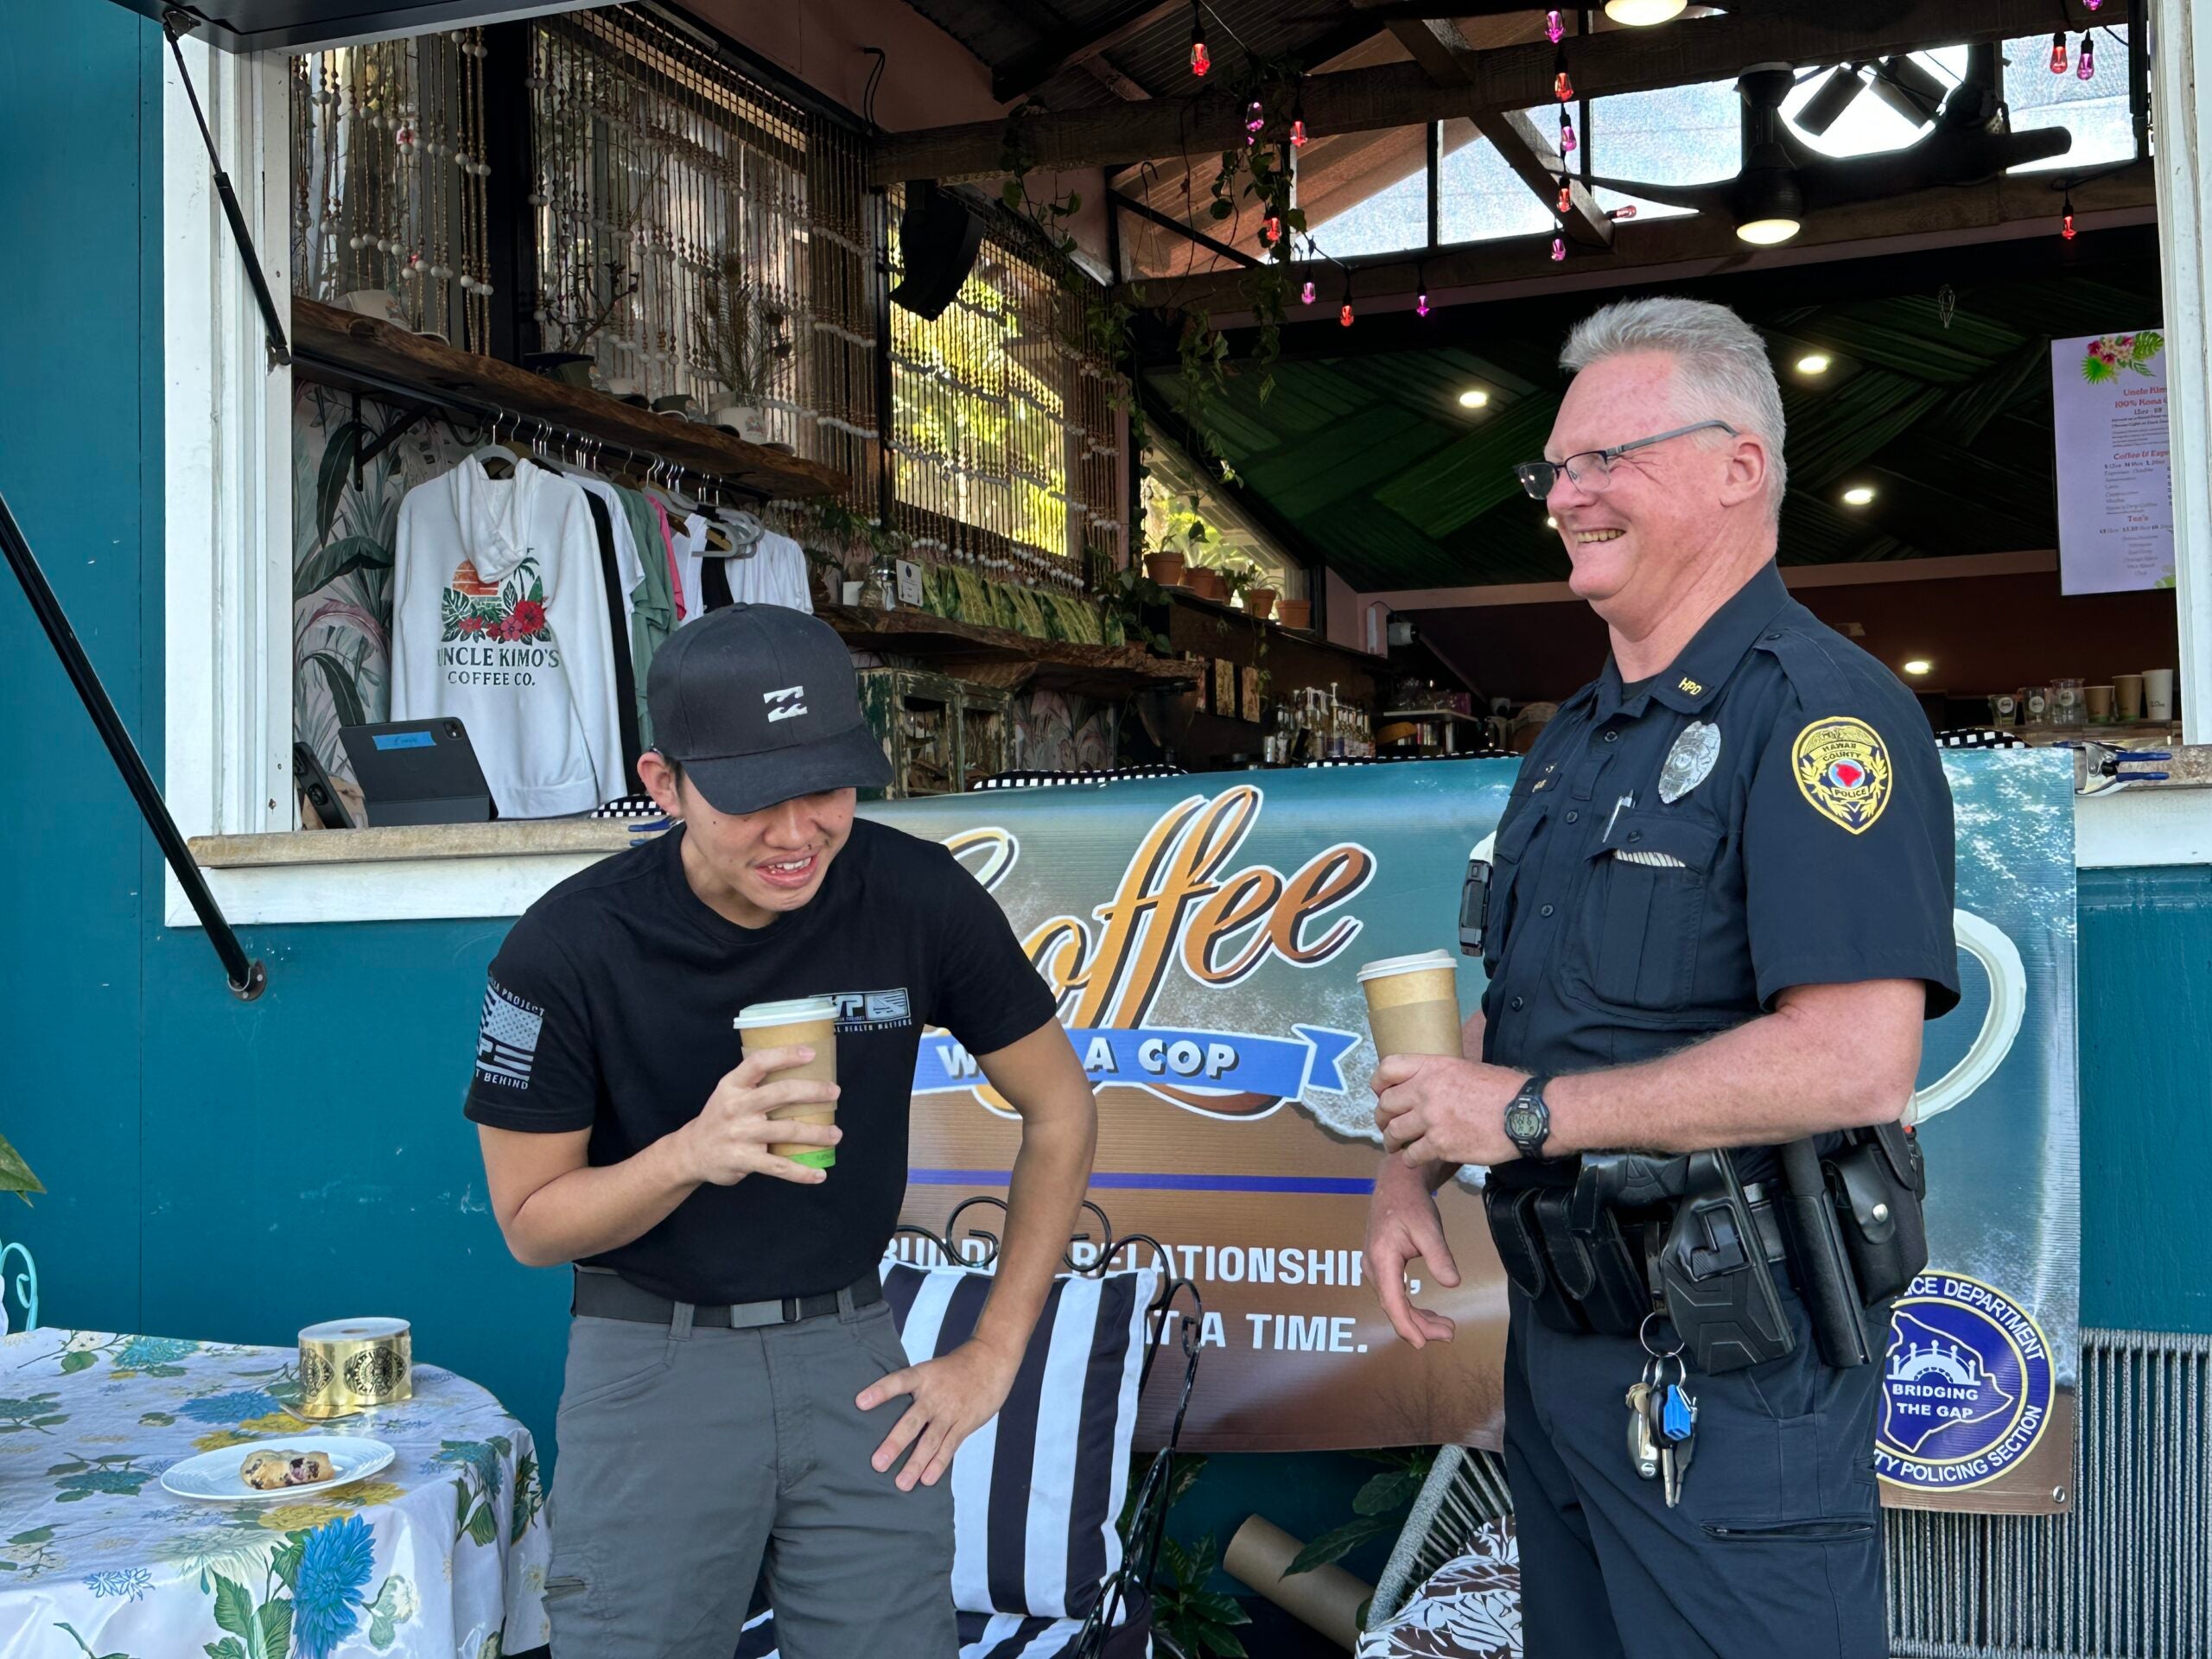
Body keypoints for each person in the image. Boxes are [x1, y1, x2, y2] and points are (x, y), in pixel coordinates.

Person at [1363, 296, 1956, 1658]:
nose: (1566, 498)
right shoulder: (1574, 740)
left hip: (1735, 1373)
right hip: (1565, 1348)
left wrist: (1521, 1119)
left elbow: (1853, 1060)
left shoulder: (1820, 715)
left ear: (1739, 467)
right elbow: (1527, 1019)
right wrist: (1415, 1168)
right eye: (1554, 472)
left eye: (1605, 462)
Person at [466, 603, 1096, 1659]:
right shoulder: (566, 946)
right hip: (651, 1358)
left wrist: (993, 1352)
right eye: (757, 797)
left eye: (828, 787)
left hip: (854, 1348)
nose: (799, 832)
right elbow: (532, 1226)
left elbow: (1061, 1107)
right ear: (662, 783)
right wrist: (689, 1154)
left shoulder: (914, 895)